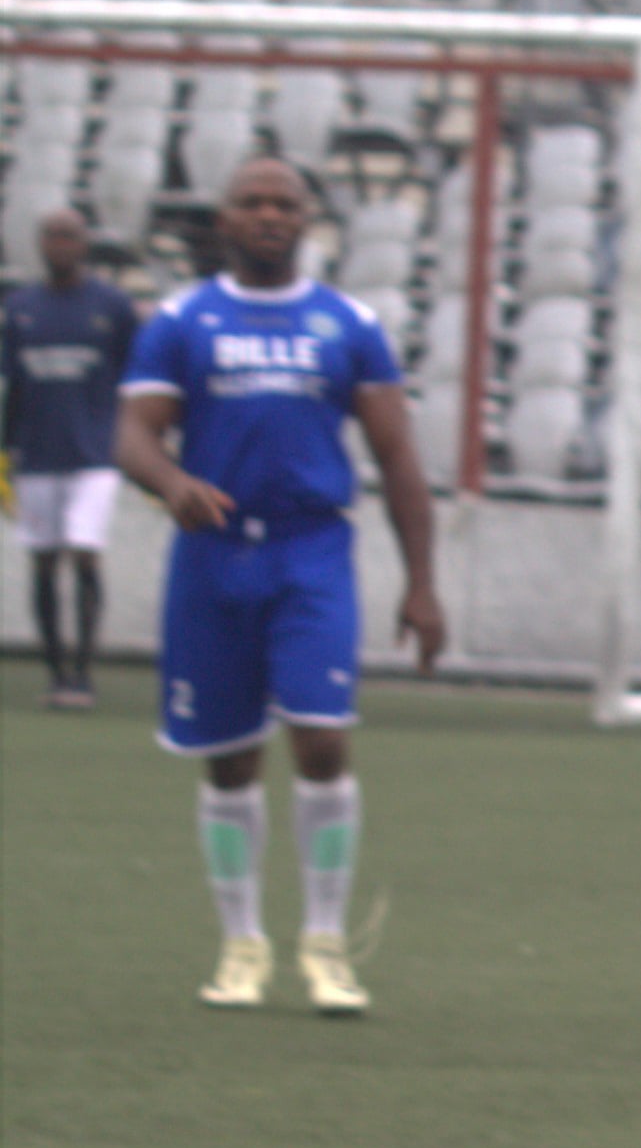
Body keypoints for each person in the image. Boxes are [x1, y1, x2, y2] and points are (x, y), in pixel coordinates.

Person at [113, 157, 444, 1016]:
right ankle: (242, 943)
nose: (267, 214)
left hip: (311, 553)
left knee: (322, 740)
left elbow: (399, 459)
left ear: (307, 221)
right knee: (229, 759)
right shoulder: (184, 320)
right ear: (223, 220)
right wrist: (170, 482)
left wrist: (423, 585)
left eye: (284, 203)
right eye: (251, 202)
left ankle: (326, 944)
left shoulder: (347, 324)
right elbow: (134, 435)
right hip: (215, 554)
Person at [5, 206, 143, 709]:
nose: (59, 244)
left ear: (84, 243)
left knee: (84, 553)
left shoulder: (112, 307)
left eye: (69, 235)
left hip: (93, 456)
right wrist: (5, 454)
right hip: (38, 456)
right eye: (51, 236)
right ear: (39, 244)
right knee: (43, 563)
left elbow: (137, 380)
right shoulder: (21, 309)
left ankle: (83, 673)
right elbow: (13, 388)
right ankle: (56, 671)